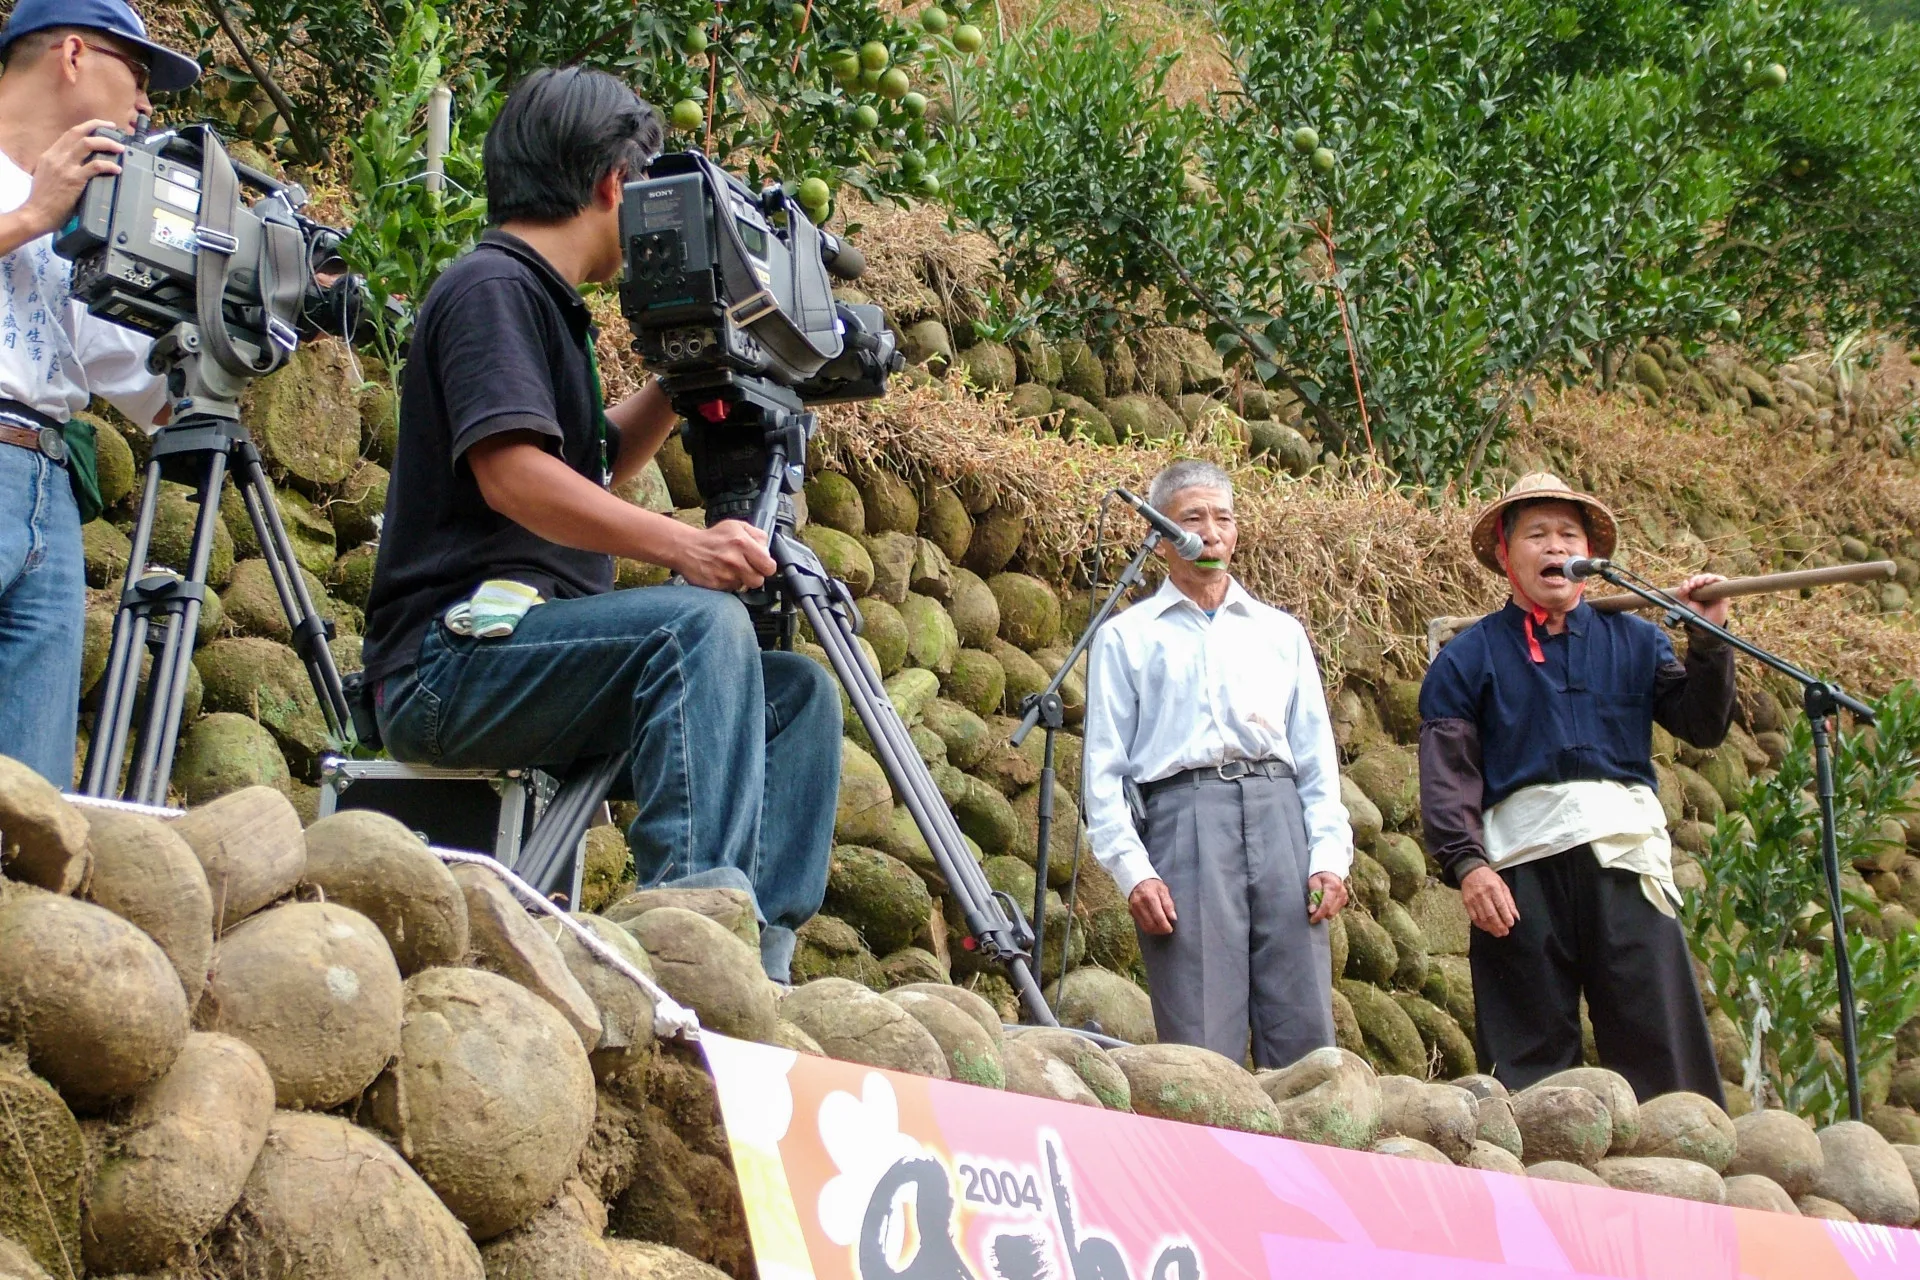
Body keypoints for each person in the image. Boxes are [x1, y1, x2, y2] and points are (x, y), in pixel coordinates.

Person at [360, 68, 841, 981]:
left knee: (797, 701)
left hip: (532, 657)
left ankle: (758, 977)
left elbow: (590, 465)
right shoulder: (490, 288)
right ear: (614, 183)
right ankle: (692, 944)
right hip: (449, 665)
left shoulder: (544, 304)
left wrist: (690, 369)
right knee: (697, 624)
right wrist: (684, 548)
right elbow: (514, 478)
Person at [1418, 472, 1731, 1103]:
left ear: (1591, 555)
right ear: (1506, 555)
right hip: (1521, 869)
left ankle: (1678, 1176)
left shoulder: (1638, 639)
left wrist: (1709, 636)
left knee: (1660, 1049)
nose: (1555, 546)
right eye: (1537, 534)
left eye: (1568, 534)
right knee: (1531, 1063)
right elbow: (1448, 772)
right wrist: (1469, 865)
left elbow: (1702, 724)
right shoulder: (1468, 656)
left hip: (1625, 859)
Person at [1082, 460, 1352, 1068]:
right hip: (1183, 819)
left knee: (1304, 1024)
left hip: (1280, 815)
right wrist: (1134, 872)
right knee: (1200, 1037)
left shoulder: (1279, 633)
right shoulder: (1127, 636)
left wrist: (1330, 857)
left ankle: (1305, 1158)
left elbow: (1315, 758)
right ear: (1160, 533)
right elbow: (1104, 772)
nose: (1211, 532)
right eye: (1192, 519)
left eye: (1223, 518)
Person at [0, 0, 195, 785]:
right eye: (139, 76)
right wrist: (30, 216)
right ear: (73, 54)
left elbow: (154, 393)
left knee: (32, 801)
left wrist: (242, 318)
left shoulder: (94, 212)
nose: (147, 105)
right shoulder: (49, 203)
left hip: (51, 484)